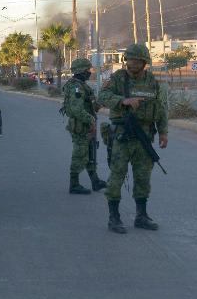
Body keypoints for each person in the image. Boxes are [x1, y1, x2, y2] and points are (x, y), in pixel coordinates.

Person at [97, 43, 169, 233]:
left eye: (136, 60)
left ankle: (141, 216)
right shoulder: (118, 79)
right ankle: (114, 218)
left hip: (144, 136)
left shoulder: (152, 82)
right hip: (122, 135)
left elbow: (160, 109)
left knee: (143, 177)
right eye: (129, 59)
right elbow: (102, 95)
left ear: (144, 62)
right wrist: (123, 101)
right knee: (117, 176)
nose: (132, 63)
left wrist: (163, 132)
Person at [62, 57, 107, 194]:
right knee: (80, 154)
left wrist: (102, 95)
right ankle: (74, 185)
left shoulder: (81, 85)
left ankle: (95, 181)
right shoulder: (76, 87)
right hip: (81, 127)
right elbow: (76, 110)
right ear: (81, 71)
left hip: (86, 126)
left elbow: (92, 107)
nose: (89, 72)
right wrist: (91, 120)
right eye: (88, 70)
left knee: (90, 153)